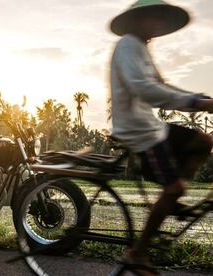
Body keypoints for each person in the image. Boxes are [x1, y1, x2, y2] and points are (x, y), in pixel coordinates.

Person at [109, 0, 213, 274]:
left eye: (159, 19)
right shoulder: (128, 46)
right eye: (152, 18)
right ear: (137, 20)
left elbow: (161, 87)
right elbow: (144, 89)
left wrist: (201, 98)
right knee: (174, 188)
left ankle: (171, 198)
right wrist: (195, 103)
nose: (157, 25)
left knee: (204, 142)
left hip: (151, 125)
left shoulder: (141, 48)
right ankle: (137, 253)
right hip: (137, 130)